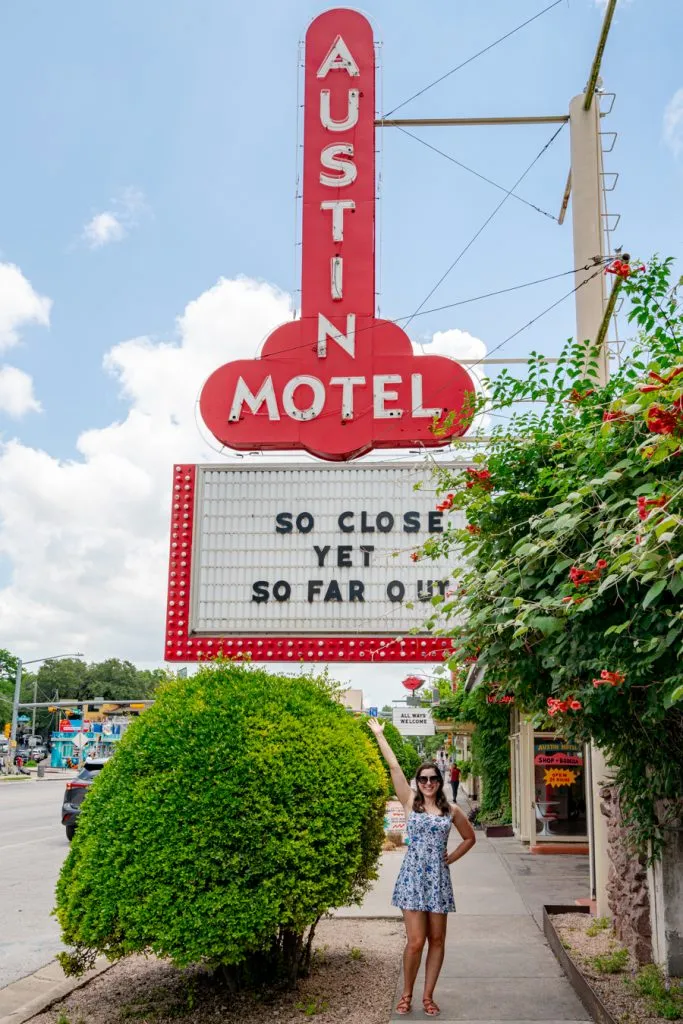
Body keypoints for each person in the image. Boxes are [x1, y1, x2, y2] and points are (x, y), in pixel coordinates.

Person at [367, 718, 476, 1017]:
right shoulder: (410, 800)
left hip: (438, 880)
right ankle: (406, 994)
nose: (428, 783)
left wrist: (451, 858)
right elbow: (394, 769)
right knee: (415, 942)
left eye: (433, 779)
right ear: (418, 782)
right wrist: (380, 736)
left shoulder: (450, 809)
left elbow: (470, 838)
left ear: (440, 782)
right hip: (412, 878)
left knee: (437, 940)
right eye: (423, 779)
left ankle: (428, 996)